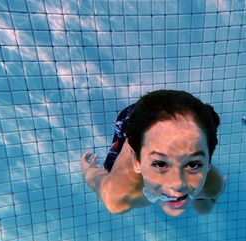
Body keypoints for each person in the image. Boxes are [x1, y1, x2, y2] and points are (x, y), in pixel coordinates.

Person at [80, 90, 227, 216]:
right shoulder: (118, 197)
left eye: (193, 164)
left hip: (189, 115)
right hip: (131, 120)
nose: (177, 184)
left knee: (204, 208)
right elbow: (97, 180)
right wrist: (88, 169)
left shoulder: (213, 185)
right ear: (136, 161)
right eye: (160, 164)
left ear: (208, 162)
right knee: (140, 200)